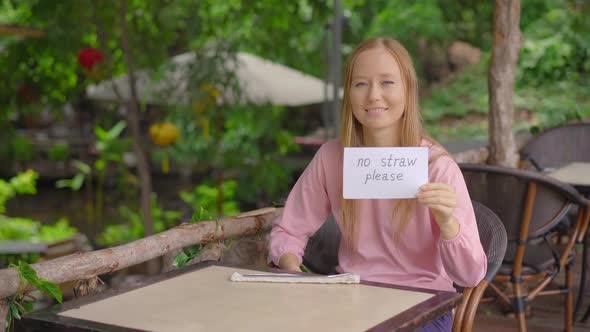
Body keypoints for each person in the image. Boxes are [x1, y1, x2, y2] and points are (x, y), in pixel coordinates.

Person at [268, 37, 487, 331]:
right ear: (349, 95)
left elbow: (471, 275)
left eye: (387, 83)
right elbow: (289, 229)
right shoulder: (333, 158)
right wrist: (291, 266)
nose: (373, 95)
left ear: (408, 91)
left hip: (422, 304)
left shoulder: (436, 166)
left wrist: (447, 222)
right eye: (361, 84)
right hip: (351, 299)